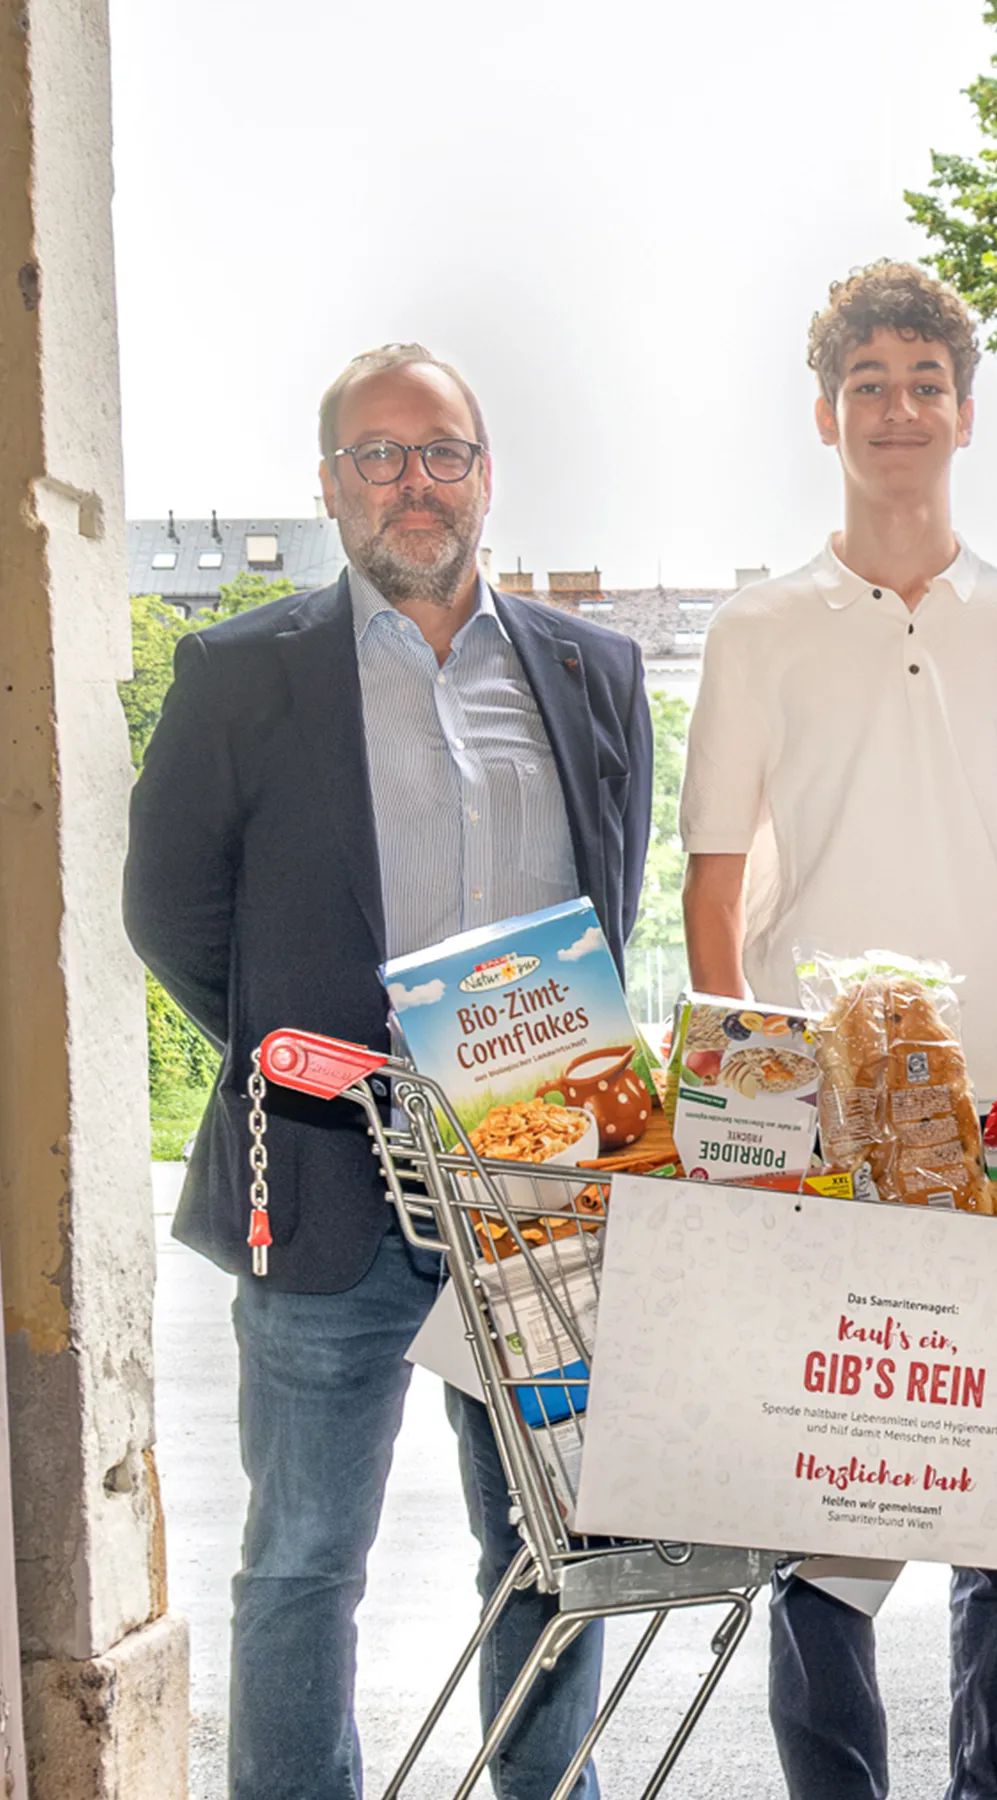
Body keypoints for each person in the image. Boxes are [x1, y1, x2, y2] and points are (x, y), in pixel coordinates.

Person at [123, 344, 646, 1799]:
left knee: (553, 1555)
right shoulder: (241, 672)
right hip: (327, 1189)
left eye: (442, 452)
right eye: (376, 453)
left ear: (486, 475)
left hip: (537, 1193)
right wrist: (319, 1074)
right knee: (300, 1565)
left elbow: (612, 901)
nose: (412, 482)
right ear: (328, 482)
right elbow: (168, 907)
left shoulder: (594, 671)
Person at [678, 261, 997, 1800]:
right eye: (871, 382)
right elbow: (714, 884)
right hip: (825, 1119)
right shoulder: (759, 627)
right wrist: (740, 1107)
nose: (900, 408)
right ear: (826, 414)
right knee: (825, 1490)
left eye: (926, 383)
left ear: (967, 415)